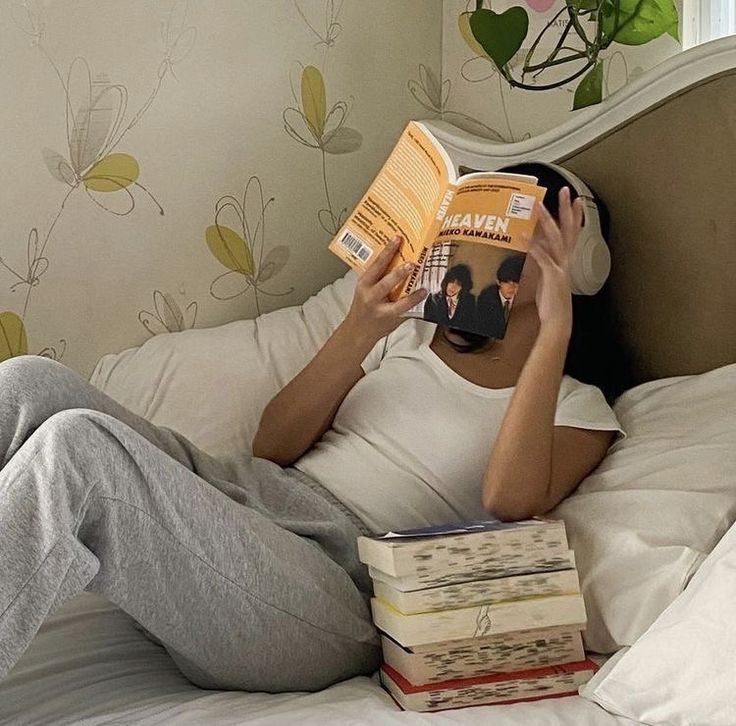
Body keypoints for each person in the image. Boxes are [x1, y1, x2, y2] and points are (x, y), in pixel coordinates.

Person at [0, 171, 623, 695]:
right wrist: (361, 328)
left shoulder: (577, 404)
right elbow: (272, 445)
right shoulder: (405, 340)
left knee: (75, 451)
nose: (502, 247)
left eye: (529, 232)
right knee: (29, 381)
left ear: (578, 262)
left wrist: (553, 327)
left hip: (330, 589)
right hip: (245, 502)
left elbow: (509, 502)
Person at [475, 254, 525, 338]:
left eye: (516, 282)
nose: (511, 287)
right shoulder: (485, 301)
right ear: (498, 282)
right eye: (507, 282)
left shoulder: (525, 300)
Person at [422, 263, 476, 330]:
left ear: (463, 287)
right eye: (451, 282)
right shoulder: (433, 299)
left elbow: (469, 327)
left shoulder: (469, 301)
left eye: (458, 284)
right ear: (446, 281)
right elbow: (427, 327)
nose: (453, 287)